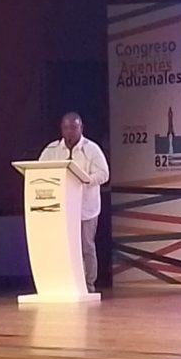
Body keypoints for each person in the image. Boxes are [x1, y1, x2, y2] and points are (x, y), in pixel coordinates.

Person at [39, 112, 109, 293]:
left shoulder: (91, 149)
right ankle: (64, 283)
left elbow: (104, 174)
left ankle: (88, 285)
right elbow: (39, 171)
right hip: (60, 209)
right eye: (66, 128)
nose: (69, 132)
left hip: (86, 208)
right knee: (63, 247)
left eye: (73, 127)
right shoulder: (52, 150)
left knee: (86, 246)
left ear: (81, 128)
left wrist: (85, 180)